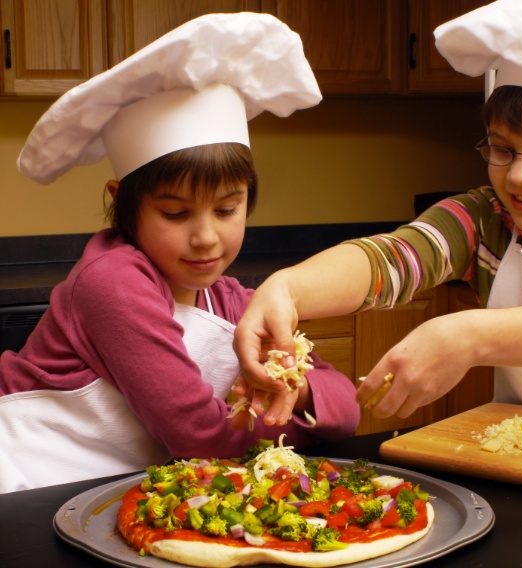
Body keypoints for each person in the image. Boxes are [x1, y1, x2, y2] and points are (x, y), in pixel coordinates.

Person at [233, 0, 522, 428]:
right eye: (503, 149)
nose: (520, 176)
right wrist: (286, 288)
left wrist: (465, 335)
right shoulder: (486, 218)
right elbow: (389, 259)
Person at [0, 13, 359, 494]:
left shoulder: (232, 300)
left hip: (110, 491)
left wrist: (300, 390)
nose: (207, 237)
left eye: (227, 209)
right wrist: (301, 426)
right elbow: (199, 436)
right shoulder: (112, 281)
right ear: (124, 204)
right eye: (175, 214)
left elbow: (347, 404)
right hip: (24, 484)